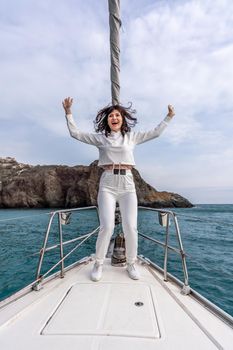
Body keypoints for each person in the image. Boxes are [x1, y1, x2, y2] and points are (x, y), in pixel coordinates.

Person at [62, 97, 175, 281]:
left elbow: (155, 133)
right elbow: (76, 133)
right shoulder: (101, 139)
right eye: (111, 116)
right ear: (107, 120)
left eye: (117, 115)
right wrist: (68, 113)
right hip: (107, 183)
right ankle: (98, 264)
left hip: (128, 184)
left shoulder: (132, 138)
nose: (114, 118)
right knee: (106, 227)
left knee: (131, 227)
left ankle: (131, 263)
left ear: (122, 119)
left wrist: (168, 117)